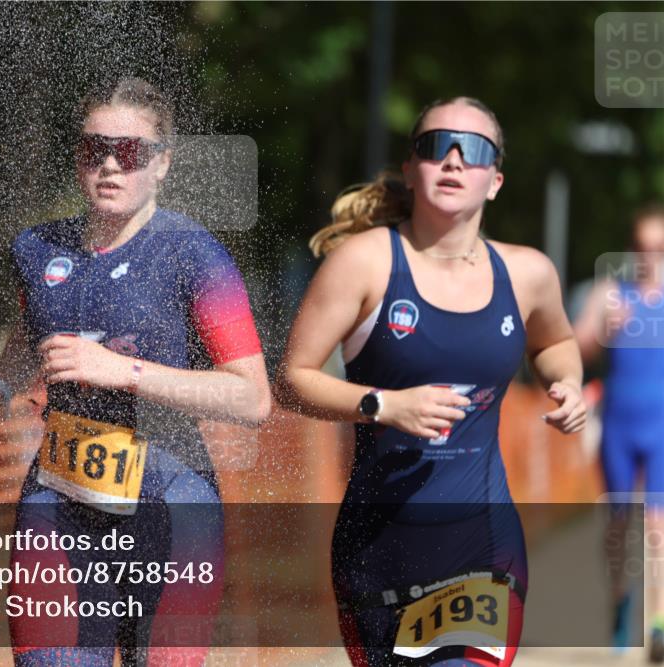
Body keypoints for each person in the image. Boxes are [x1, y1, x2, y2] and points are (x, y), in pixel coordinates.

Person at [0, 77, 271, 666]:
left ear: (161, 164)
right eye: (91, 149)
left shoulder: (193, 253)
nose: (108, 165)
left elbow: (251, 398)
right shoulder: (37, 248)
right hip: (57, 504)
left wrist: (122, 370)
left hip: (171, 512)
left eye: (128, 152)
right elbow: (33, 337)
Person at [277, 97, 585, 666]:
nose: (452, 161)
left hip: (483, 545)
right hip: (377, 547)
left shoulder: (527, 273)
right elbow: (291, 379)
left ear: (495, 180)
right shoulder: (364, 263)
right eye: (434, 146)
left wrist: (564, 381)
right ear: (411, 166)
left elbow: (556, 342)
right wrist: (383, 405)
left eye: (473, 151)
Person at [574, 204, 664, 661]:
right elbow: (571, 347)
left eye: (661, 249)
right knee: (619, 525)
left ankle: (658, 622)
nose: (652, 258)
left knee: (657, 526)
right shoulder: (611, 294)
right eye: (644, 248)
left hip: (661, 426)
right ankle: (620, 603)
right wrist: (600, 333)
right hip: (620, 426)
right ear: (632, 250)